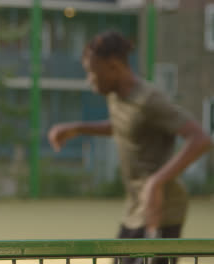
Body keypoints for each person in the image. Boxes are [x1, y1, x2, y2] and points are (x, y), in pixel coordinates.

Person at [48, 32, 211, 264]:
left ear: (114, 66)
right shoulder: (115, 96)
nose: (90, 80)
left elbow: (200, 139)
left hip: (161, 211)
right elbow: (124, 125)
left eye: (93, 73)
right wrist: (77, 128)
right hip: (134, 209)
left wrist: (157, 182)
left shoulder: (149, 99)